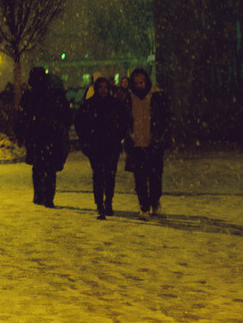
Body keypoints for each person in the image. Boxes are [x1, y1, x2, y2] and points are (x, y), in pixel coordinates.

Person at [73, 73, 128, 218]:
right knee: (98, 174)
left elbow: (125, 121)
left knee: (110, 174)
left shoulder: (115, 104)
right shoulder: (90, 104)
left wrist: (119, 133)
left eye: (105, 87)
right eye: (100, 87)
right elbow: (79, 122)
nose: (103, 90)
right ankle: (99, 204)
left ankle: (108, 202)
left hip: (111, 144)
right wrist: (86, 137)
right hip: (95, 144)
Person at [18, 65, 73, 207]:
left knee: (38, 167)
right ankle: (48, 197)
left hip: (37, 136)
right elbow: (65, 114)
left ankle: (39, 196)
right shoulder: (54, 94)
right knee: (49, 168)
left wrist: (22, 133)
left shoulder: (30, 96)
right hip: (50, 136)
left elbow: (22, 117)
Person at [124, 67, 172, 218]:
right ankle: (144, 206)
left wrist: (160, 135)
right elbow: (124, 119)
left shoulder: (156, 96)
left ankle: (155, 202)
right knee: (140, 178)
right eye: (137, 83)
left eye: (142, 82)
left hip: (153, 143)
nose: (140, 86)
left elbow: (165, 118)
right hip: (136, 144)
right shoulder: (128, 98)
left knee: (155, 176)